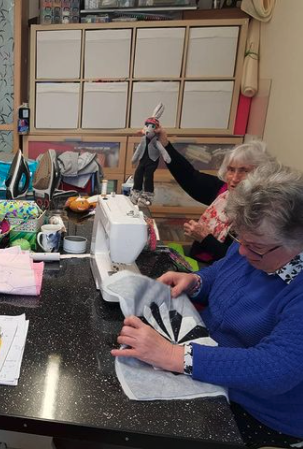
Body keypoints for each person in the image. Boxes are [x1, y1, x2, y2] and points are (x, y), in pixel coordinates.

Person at [112, 162, 303, 448]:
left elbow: (277, 368)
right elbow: (222, 271)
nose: (241, 251)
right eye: (239, 238)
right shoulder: (255, 247)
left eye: (254, 247)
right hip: (213, 370)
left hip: (260, 412)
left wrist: (174, 356)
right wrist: (195, 281)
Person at [156, 127, 275, 262]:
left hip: (219, 269)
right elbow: (189, 176)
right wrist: (164, 144)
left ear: (260, 174)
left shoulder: (258, 212)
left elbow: (239, 261)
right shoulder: (224, 190)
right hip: (199, 259)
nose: (234, 178)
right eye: (231, 170)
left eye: (244, 171)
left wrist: (205, 238)